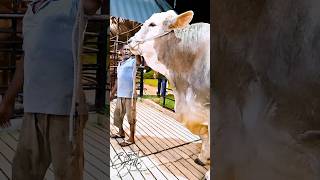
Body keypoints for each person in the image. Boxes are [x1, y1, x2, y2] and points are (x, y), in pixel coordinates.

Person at [0, 0, 101, 179]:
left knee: (68, 175)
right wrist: (8, 100)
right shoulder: (31, 11)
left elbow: (93, 4)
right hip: (32, 111)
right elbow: (26, 58)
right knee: (22, 173)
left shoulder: (74, 4)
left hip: (65, 111)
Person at [110, 44, 138, 147]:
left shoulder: (133, 61)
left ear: (131, 52)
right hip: (120, 94)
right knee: (118, 115)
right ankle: (121, 132)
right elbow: (118, 80)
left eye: (128, 50)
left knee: (131, 117)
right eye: (124, 49)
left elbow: (140, 59)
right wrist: (112, 93)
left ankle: (131, 138)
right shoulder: (120, 64)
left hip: (130, 95)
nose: (126, 51)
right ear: (121, 51)